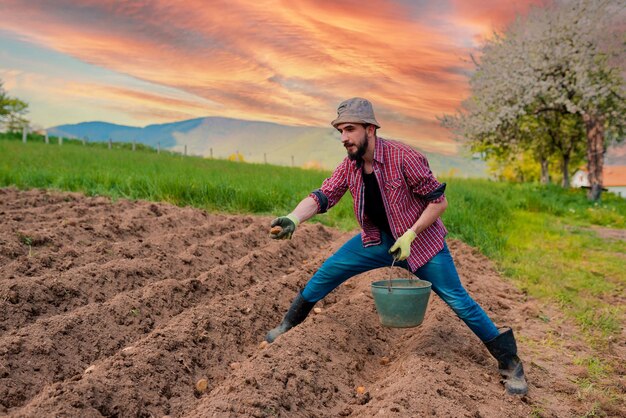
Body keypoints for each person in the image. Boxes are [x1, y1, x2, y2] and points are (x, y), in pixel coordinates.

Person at [266, 97, 528, 395]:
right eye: (340, 131)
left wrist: (411, 234)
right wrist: (293, 218)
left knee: (459, 301)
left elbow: (438, 202)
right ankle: (288, 324)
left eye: (350, 129)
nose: (344, 138)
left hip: (421, 243)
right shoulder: (349, 166)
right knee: (327, 273)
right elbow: (323, 196)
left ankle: (510, 363)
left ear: (370, 129)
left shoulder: (404, 157)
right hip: (378, 241)